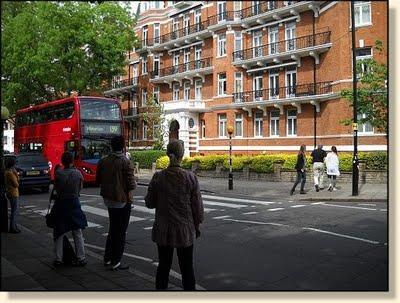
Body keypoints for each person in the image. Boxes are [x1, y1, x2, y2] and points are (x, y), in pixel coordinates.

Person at [145, 140, 204, 291]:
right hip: (185, 230)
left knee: (163, 267)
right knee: (187, 268)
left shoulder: (158, 177)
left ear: (167, 154)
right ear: (182, 155)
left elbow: (149, 203)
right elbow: (197, 208)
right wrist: (196, 225)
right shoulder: (190, 178)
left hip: (163, 230)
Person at [96, 135, 136, 270]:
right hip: (122, 200)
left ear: (111, 146)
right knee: (120, 231)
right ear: (123, 146)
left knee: (113, 228)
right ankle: (116, 261)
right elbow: (131, 184)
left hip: (108, 199)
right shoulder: (125, 162)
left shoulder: (103, 161)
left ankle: (107, 258)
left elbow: (98, 180)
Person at [53, 151, 87, 267]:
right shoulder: (78, 174)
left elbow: (56, 189)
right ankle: (81, 258)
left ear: (62, 161)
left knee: (59, 232)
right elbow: (80, 189)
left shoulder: (58, 174)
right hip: (74, 203)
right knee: (77, 231)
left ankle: (58, 259)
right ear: (72, 161)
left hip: (61, 204)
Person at [4, 157, 21, 233]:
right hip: (13, 193)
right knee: (14, 211)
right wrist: (16, 174)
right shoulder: (10, 173)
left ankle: (14, 226)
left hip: (10, 192)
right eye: (14, 163)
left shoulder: (7, 172)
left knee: (14, 211)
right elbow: (16, 184)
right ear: (12, 164)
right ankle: (12, 228)